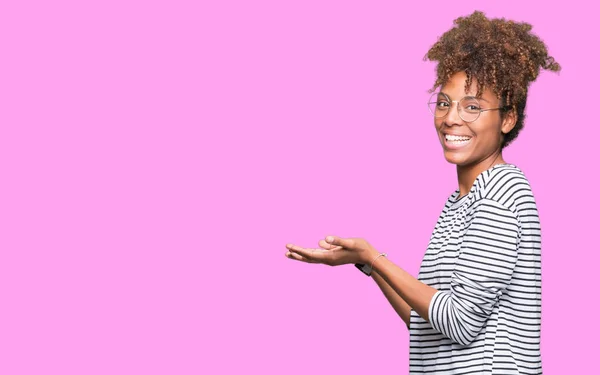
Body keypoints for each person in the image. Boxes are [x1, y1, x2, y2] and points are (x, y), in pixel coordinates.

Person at [284, 11, 560, 375]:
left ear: (507, 119)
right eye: (444, 103)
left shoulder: (500, 192)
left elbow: (459, 323)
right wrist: (366, 263)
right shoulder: (460, 202)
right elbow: (428, 327)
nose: (451, 119)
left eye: (473, 107)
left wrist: (376, 257)